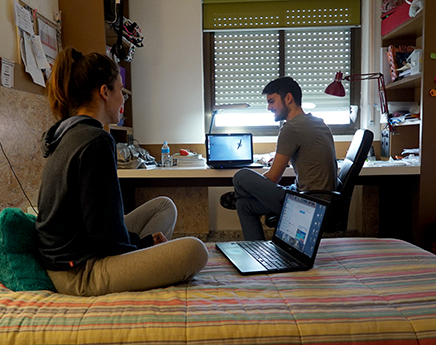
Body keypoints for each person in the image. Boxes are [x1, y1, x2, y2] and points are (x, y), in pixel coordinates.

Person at [35, 47, 208, 296]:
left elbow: (100, 223)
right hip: (79, 272)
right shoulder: (95, 140)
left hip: (77, 249)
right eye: (121, 91)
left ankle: (147, 261)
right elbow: (104, 237)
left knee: (163, 206)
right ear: (105, 92)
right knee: (195, 250)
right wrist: (142, 244)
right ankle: (147, 267)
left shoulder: (68, 133)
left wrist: (139, 243)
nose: (123, 99)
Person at [221, 77, 337, 240]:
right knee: (244, 205)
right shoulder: (318, 122)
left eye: (272, 101)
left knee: (241, 176)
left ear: (288, 98)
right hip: (319, 197)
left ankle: (243, 194)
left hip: (307, 203)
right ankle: (256, 251)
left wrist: (255, 188)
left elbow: (274, 177)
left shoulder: (291, 128)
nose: (269, 107)